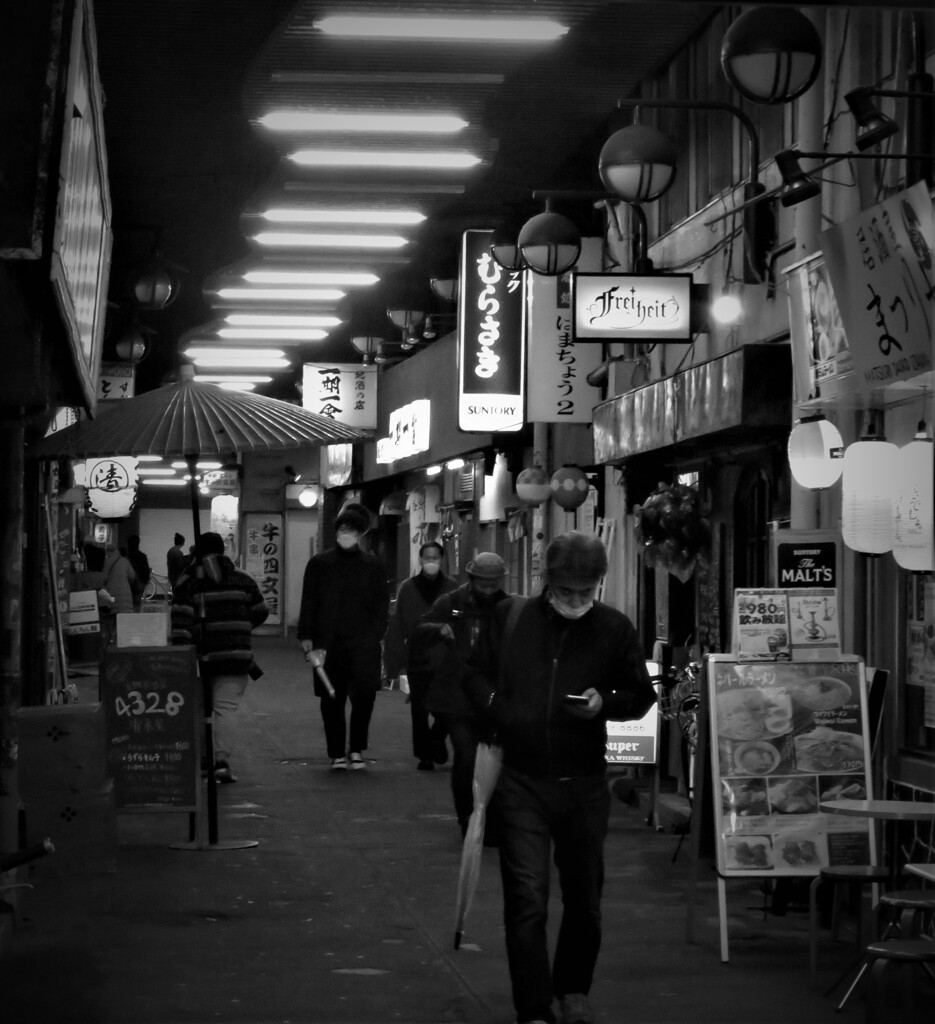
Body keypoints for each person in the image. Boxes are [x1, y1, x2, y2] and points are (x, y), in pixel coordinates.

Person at [463, 532, 656, 1024]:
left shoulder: (614, 628)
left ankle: (574, 990)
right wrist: (499, 708)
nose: (575, 602)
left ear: (599, 586)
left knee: (584, 897)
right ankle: (533, 1005)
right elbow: (473, 673)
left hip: (585, 781)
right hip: (520, 777)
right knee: (526, 898)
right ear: (547, 582)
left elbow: (639, 695)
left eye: (585, 593)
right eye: (566, 592)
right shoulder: (512, 618)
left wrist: (604, 704)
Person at [411, 551, 509, 832]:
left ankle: (490, 816)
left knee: (494, 756)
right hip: (456, 695)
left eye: (493, 584)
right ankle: (467, 816)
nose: (488, 590)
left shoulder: (507, 606)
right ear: (472, 579)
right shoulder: (453, 602)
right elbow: (419, 629)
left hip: (490, 694)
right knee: (466, 755)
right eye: (483, 584)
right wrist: (438, 628)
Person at [297, 502, 390, 771]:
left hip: (363, 643)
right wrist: (306, 635)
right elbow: (309, 601)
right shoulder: (319, 564)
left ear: (360, 533)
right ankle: (337, 752)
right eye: (342, 528)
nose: (345, 533)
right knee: (331, 698)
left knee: (364, 697)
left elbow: (381, 603)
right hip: (328, 642)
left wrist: (376, 634)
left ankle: (357, 748)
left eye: (350, 529)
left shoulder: (373, 565)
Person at [170, 531, 269, 783]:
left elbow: (180, 621)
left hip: (200, 657)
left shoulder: (188, 582)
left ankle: (204, 761)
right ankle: (222, 762)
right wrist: (239, 627)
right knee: (226, 709)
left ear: (197, 553)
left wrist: (181, 650)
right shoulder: (243, 579)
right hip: (236, 655)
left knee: (200, 709)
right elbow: (260, 611)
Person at [384, 541, 459, 771]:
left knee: (446, 709)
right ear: (420, 559)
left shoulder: (453, 587)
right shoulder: (408, 588)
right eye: (427, 557)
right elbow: (397, 626)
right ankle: (425, 755)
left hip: (447, 659)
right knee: (419, 710)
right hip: (418, 658)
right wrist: (393, 664)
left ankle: (435, 741)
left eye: (435, 557)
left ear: (442, 559)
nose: (431, 561)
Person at [99, 542, 137, 645]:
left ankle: (111, 638)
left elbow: (104, 578)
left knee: (111, 617)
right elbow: (132, 576)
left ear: (107, 551)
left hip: (111, 594)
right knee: (123, 617)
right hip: (125, 593)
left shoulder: (106, 562)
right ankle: (123, 638)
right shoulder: (125, 561)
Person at [126, 534, 152, 611]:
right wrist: (144, 582)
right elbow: (146, 572)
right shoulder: (142, 556)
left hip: (127, 585)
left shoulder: (125, 557)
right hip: (139, 585)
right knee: (137, 604)